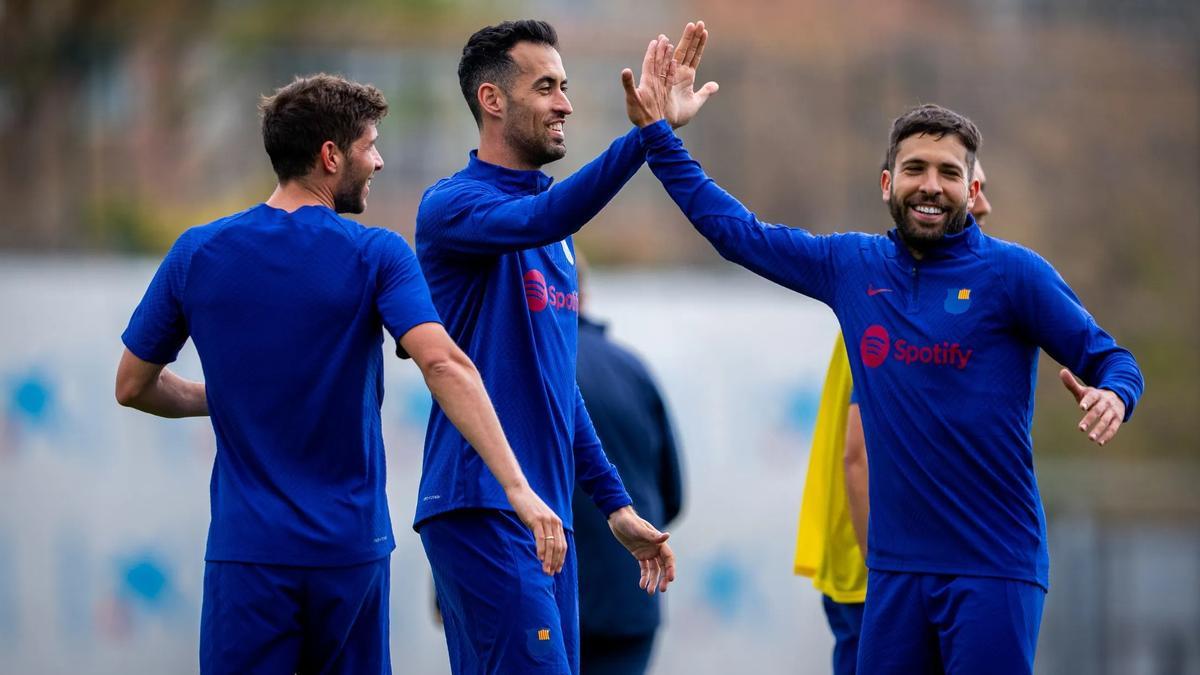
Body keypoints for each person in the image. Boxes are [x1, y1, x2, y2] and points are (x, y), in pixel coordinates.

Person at [637, 101, 1144, 674]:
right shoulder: (853, 265)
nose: (931, 186)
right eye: (915, 169)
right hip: (894, 574)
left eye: (949, 173)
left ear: (972, 186)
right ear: (887, 182)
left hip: (993, 568)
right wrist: (659, 136)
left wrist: (1115, 395)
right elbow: (737, 235)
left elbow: (1114, 359)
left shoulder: (1014, 275)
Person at [115, 73, 563, 674]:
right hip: (348, 552)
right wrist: (516, 488)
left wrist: (218, 398)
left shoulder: (197, 252)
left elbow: (132, 385)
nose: (378, 161)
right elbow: (442, 361)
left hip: (247, 555)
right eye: (370, 145)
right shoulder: (376, 254)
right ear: (331, 156)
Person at [413, 20, 714, 675]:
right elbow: (547, 217)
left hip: (549, 516)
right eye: (546, 87)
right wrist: (649, 135)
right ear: (493, 100)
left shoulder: (555, 229)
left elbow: (557, 385)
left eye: (566, 86)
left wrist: (617, 506)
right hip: (481, 502)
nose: (565, 104)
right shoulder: (454, 206)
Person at [793, 159, 992, 675]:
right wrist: (886, 571)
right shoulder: (897, 309)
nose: (984, 204)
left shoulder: (914, 299)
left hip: (875, 565)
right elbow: (857, 456)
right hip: (875, 569)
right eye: (975, 188)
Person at [572, 253, 684, 675]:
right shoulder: (633, 370)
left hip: (543, 596)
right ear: (584, 293)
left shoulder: (519, 368)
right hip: (631, 596)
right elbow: (673, 495)